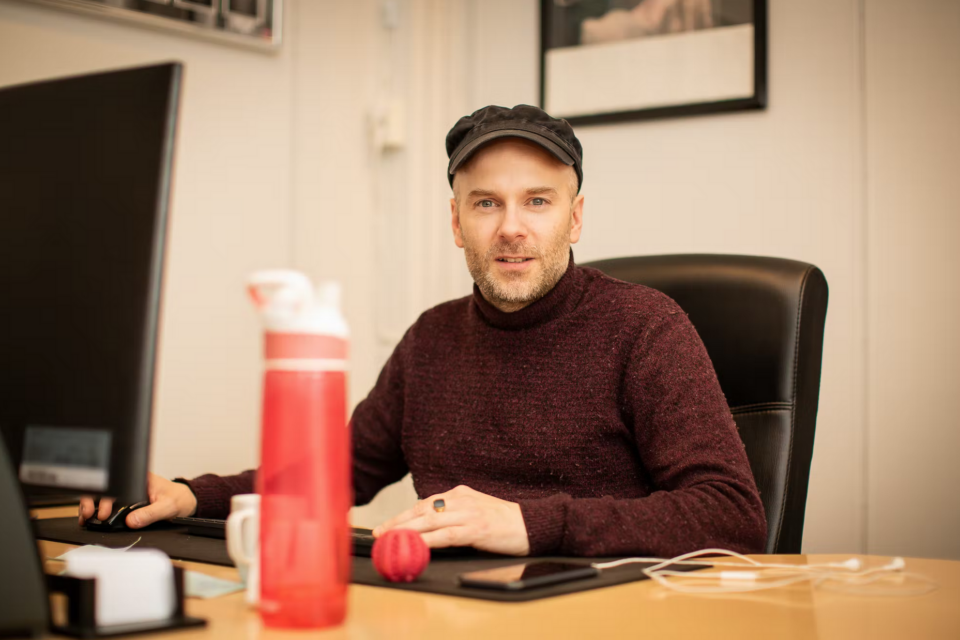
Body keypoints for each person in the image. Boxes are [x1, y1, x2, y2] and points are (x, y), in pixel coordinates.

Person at [80, 105, 766, 557]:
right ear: (456, 222)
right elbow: (333, 475)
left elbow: (732, 515)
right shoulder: (431, 340)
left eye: (537, 201)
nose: (511, 228)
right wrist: (191, 493)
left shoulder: (645, 328)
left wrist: (528, 522)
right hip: (450, 611)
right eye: (486, 203)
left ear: (576, 218)